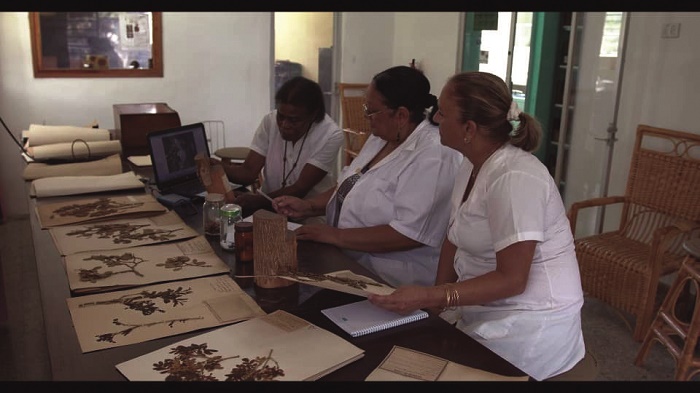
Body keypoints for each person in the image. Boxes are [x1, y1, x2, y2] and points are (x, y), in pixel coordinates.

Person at [367, 71, 586, 381]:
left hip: (531, 326)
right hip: (482, 311)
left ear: (468, 128)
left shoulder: (515, 178)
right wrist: (434, 307)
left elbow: (512, 281)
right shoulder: (472, 163)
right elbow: (453, 237)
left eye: (442, 112)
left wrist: (433, 298)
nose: (435, 118)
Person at [273, 66, 462, 288]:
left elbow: (409, 234)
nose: (365, 116)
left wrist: (335, 236)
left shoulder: (435, 156)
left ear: (401, 115)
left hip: (393, 280)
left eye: (371, 111)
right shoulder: (382, 136)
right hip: (349, 263)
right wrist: (308, 206)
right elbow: (350, 185)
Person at [217, 76, 343, 218]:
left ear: (313, 115)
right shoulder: (269, 122)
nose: (284, 124)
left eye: (293, 120)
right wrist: (217, 168)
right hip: (268, 209)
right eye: (281, 116)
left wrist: (257, 200)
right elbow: (248, 172)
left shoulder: (331, 134)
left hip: (310, 215)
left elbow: (300, 188)